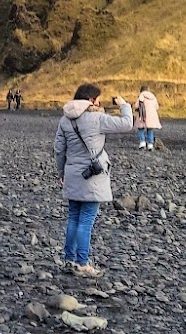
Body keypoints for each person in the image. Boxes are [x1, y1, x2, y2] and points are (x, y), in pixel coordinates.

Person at [52, 83, 133, 277]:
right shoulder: (97, 119)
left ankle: (69, 259)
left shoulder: (65, 120)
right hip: (92, 176)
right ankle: (82, 263)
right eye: (97, 98)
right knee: (86, 221)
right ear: (90, 100)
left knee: (73, 217)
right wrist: (124, 105)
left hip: (72, 172)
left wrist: (61, 171)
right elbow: (127, 124)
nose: (99, 102)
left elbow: (58, 149)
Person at [133, 86, 162, 151]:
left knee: (141, 129)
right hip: (151, 116)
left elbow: (136, 106)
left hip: (142, 115)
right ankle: (150, 145)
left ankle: (142, 143)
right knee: (150, 130)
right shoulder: (153, 97)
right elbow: (157, 107)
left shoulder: (141, 96)